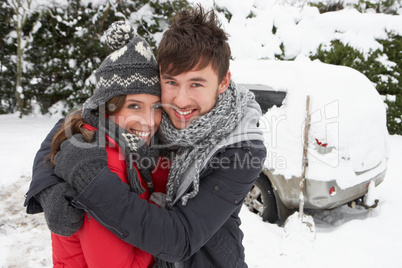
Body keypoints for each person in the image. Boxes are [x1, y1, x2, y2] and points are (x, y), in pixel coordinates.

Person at [25, 5, 267, 268]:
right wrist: (50, 186)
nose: (181, 100)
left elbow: (180, 239)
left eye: (196, 84)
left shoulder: (241, 148)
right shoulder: (155, 113)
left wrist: (89, 182)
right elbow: (74, 124)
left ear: (223, 82)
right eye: (172, 82)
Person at [30, 21, 170, 267]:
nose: (149, 120)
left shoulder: (120, 145)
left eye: (156, 107)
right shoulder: (101, 165)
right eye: (134, 106)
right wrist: (158, 218)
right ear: (107, 107)